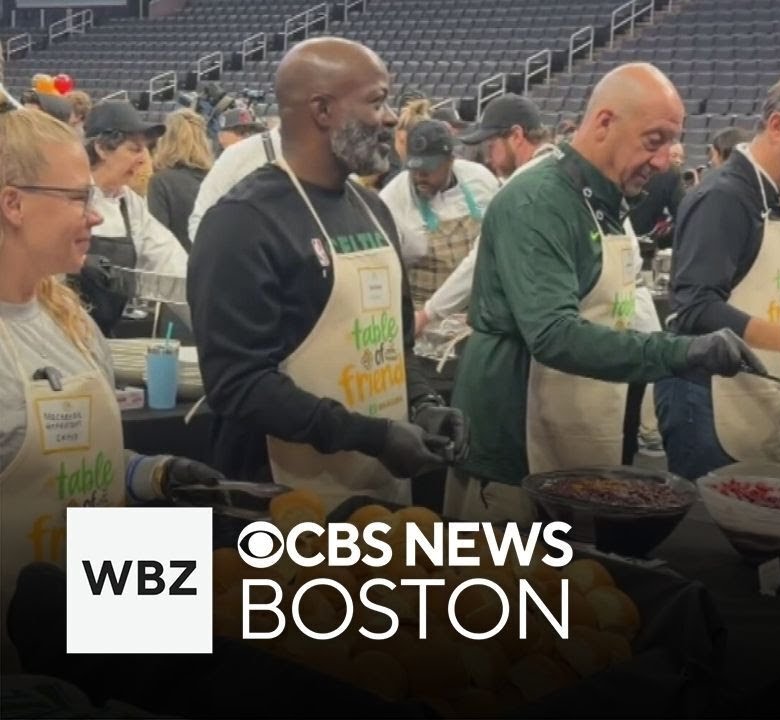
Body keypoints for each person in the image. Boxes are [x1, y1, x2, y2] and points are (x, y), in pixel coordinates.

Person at [448, 63, 764, 521]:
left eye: (670, 144)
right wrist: (682, 352)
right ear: (603, 123)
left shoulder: (606, 200)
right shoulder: (539, 202)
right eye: (653, 141)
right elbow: (554, 334)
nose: (662, 163)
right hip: (514, 447)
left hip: (579, 421)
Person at [188, 37, 467, 512]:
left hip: (379, 488)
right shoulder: (242, 223)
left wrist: (421, 404)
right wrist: (370, 435)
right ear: (322, 110)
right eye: (377, 101)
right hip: (282, 503)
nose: (392, 117)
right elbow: (238, 384)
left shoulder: (374, 209)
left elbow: (393, 345)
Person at [0, 102, 224, 672]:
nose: (97, 216)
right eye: (78, 198)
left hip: (103, 614)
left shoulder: (69, 319)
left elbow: (72, 460)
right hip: (26, 660)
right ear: (13, 202)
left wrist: (151, 473)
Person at [657, 70, 780, 482]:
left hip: (752, 388)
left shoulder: (776, 198)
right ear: (778, 125)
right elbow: (693, 309)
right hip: (707, 397)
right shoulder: (725, 197)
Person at [419, 93, 557, 329]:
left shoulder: (521, 191)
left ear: (516, 135)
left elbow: (481, 260)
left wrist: (427, 314)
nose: (490, 159)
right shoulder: (563, 168)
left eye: (491, 147)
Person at [76, 100, 188, 335]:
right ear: (102, 148)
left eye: (146, 149)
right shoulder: (70, 195)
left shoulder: (130, 204)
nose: (143, 159)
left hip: (104, 338)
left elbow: (171, 265)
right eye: (134, 149)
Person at [379, 119, 499, 309]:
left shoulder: (481, 180)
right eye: (414, 169)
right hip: (423, 316)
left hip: (478, 308)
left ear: (451, 160)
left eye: (428, 170)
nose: (419, 177)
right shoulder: (392, 201)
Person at [186, 120, 281, 243]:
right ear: (221, 136)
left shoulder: (259, 150)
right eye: (239, 132)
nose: (246, 136)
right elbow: (200, 219)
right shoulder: (233, 157)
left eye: (251, 131)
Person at [148, 109, 214, 250]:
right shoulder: (216, 180)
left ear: (166, 140)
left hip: (175, 267)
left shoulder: (161, 182)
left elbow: (156, 240)